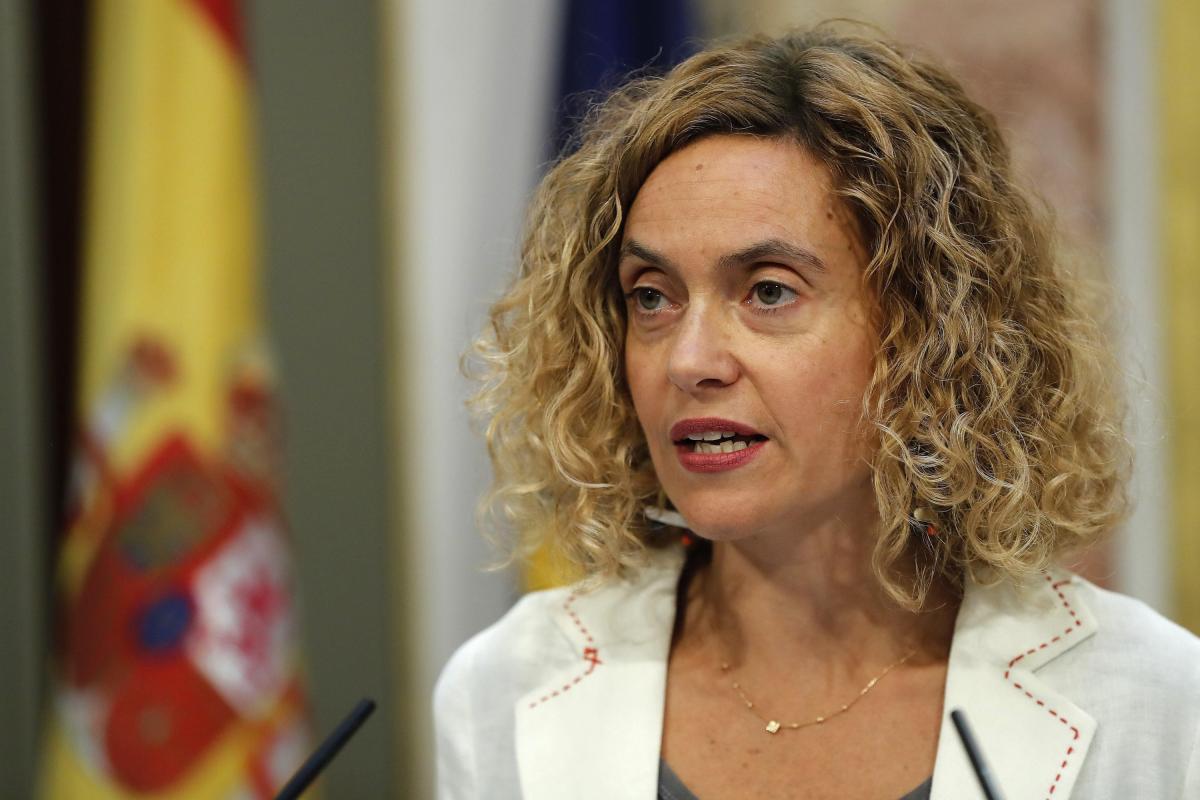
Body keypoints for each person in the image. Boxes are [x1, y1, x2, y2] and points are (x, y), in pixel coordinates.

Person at [434, 25, 1200, 800]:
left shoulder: (1152, 702)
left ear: (925, 330)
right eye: (653, 298)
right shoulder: (505, 689)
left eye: (768, 291)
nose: (688, 360)